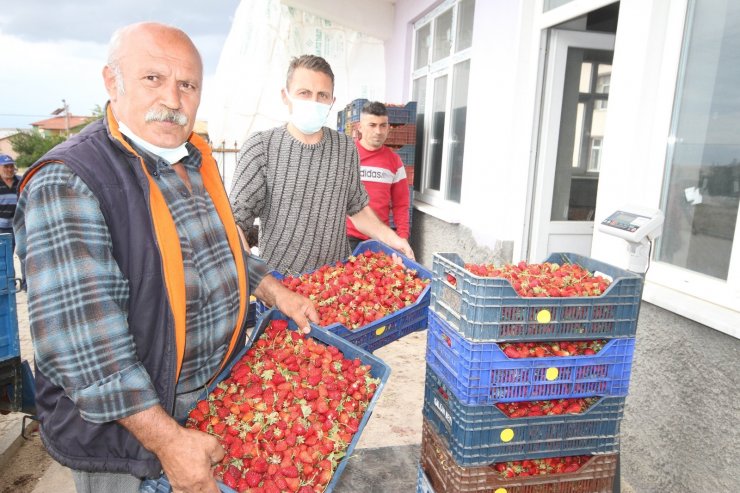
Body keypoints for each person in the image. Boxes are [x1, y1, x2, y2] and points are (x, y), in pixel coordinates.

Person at [13, 22, 318, 493]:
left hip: (206, 393)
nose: (174, 100)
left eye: (188, 85)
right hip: (131, 429)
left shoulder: (192, 160)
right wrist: (168, 440)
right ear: (112, 83)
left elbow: (221, 253)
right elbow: (86, 348)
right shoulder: (70, 181)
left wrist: (274, 290)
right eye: (153, 78)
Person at [230, 55, 415, 275]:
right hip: (281, 288)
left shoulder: (345, 148)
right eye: (304, 93)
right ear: (285, 96)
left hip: (334, 284)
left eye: (322, 95)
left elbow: (357, 208)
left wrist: (393, 239)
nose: (314, 102)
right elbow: (235, 224)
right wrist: (258, 282)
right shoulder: (261, 147)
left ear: (332, 102)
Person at [346, 101, 410, 252]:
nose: (378, 131)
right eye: (372, 125)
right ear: (360, 127)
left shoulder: (394, 161)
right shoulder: (346, 155)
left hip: (380, 239)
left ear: (388, 127)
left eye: (383, 125)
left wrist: (402, 238)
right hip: (346, 238)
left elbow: (401, 204)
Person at [0, 154, 20, 249]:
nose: (9, 169)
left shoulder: (21, 181)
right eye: (6, 166)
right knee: (4, 256)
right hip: (1, 227)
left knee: (25, 255)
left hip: (20, 226)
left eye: (11, 166)